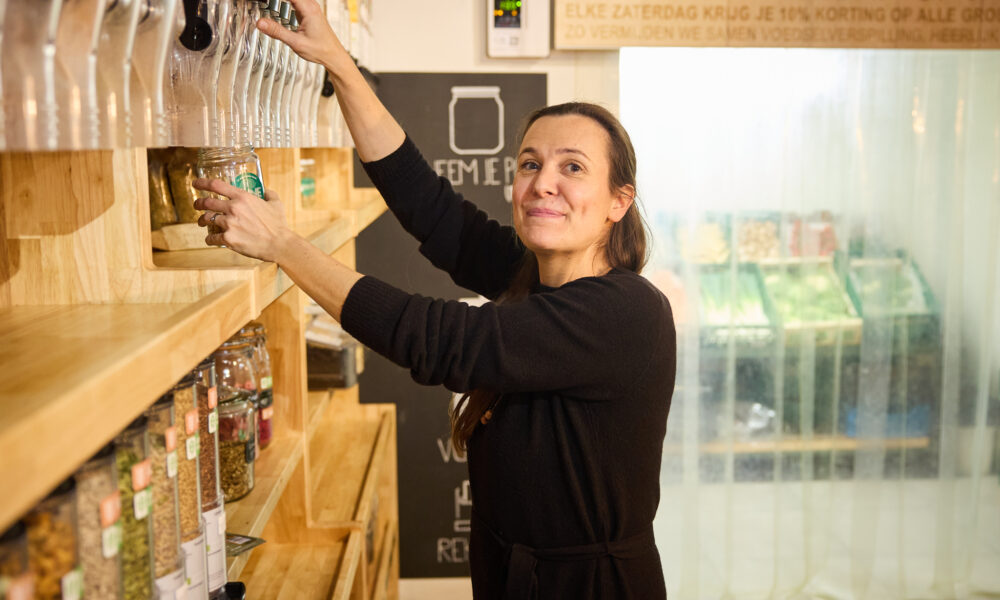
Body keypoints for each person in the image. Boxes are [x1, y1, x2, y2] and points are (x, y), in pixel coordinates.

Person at [192, 1, 676, 597]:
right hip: (510, 574)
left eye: (572, 167)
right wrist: (337, 64)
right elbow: (432, 207)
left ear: (617, 202)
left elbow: (442, 342)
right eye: (530, 163)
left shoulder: (626, 312)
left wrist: (284, 244)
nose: (542, 183)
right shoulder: (533, 275)